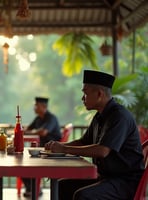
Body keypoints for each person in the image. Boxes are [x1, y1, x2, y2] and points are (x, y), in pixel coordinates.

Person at [45, 70, 144, 200]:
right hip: (106, 178)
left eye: (85, 93)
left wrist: (63, 149)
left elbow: (102, 151)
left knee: (83, 196)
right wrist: (57, 146)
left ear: (99, 94)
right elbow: (83, 142)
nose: (82, 98)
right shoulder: (99, 116)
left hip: (126, 182)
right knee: (61, 186)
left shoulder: (119, 116)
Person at [22, 97, 62, 197]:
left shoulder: (51, 118)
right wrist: (32, 131)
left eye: (36, 105)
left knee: (24, 162)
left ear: (44, 106)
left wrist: (31, 132)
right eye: (34, 105)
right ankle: (33, 188)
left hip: (51, 151)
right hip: (40, 149)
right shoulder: (38, 118)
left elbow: (43, 132)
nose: (34, 107)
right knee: (20, 161)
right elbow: (26, 130)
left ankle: (34, 188)